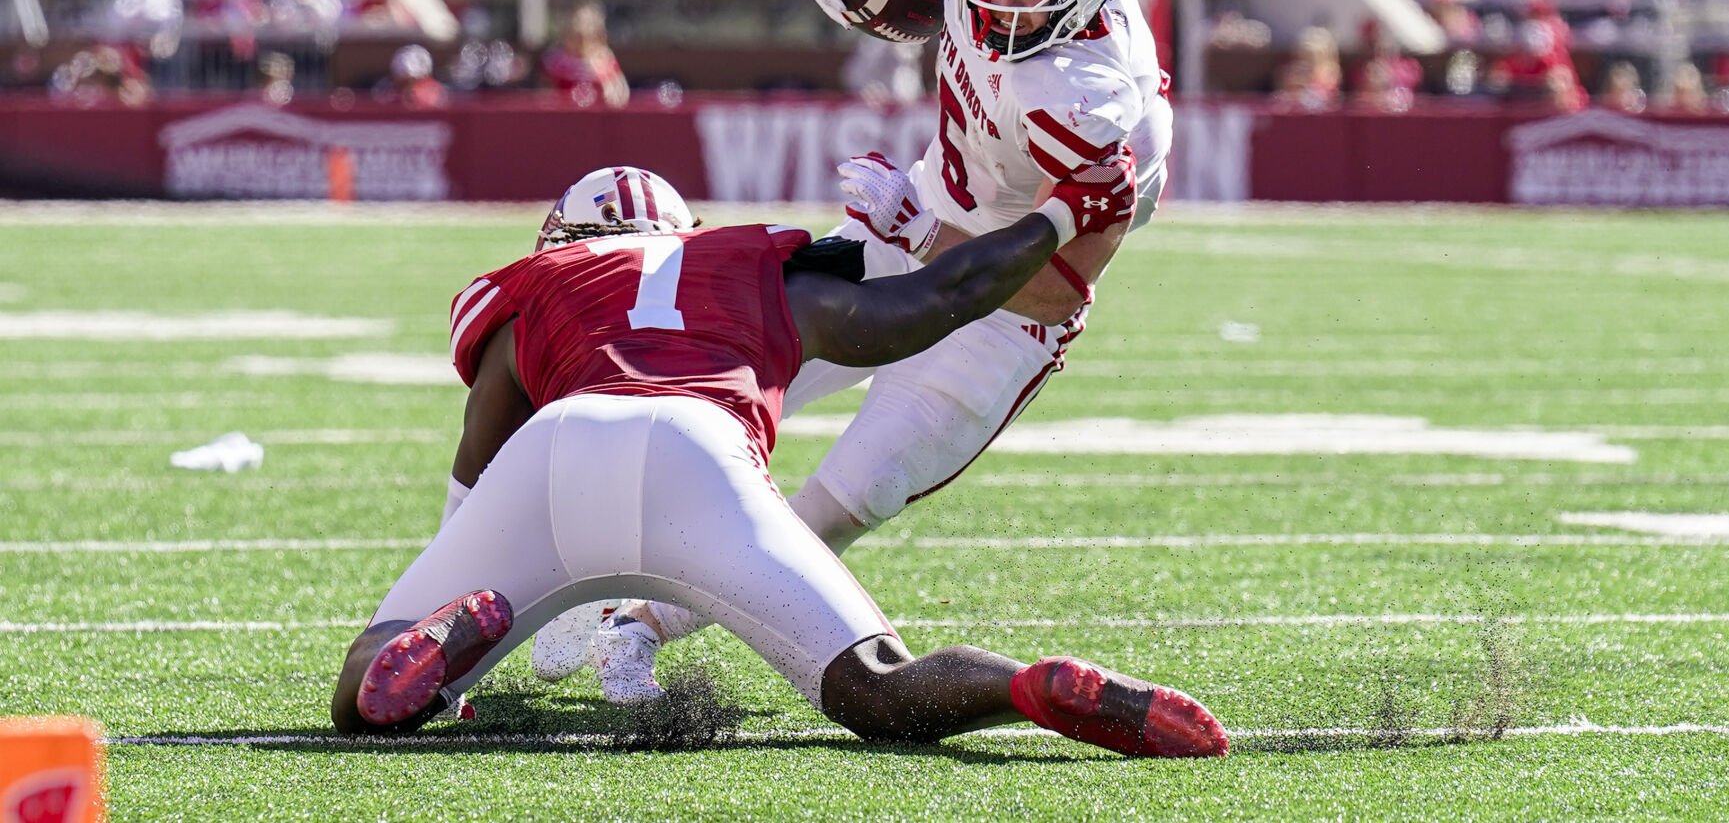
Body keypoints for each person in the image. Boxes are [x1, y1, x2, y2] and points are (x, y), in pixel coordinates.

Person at [539, 0, 1176, 701]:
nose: (999, 0)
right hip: (911, 223)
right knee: (707, 375)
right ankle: (559, 565)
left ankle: (638, 628)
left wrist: (923, 235)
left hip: (999, 318)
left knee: (833, 505)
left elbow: (1056, 286)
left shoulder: (1099, 111)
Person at [332, 162, 1227, 761]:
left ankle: (448, 637)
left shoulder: (539, 289)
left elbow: (477, 463)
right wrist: (1059, 216)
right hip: (700, 459)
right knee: (880, 693)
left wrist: (474, 595)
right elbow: (935, 302)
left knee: (361, 695)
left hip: (558, 449)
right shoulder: (757, 266)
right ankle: (1026, 688)